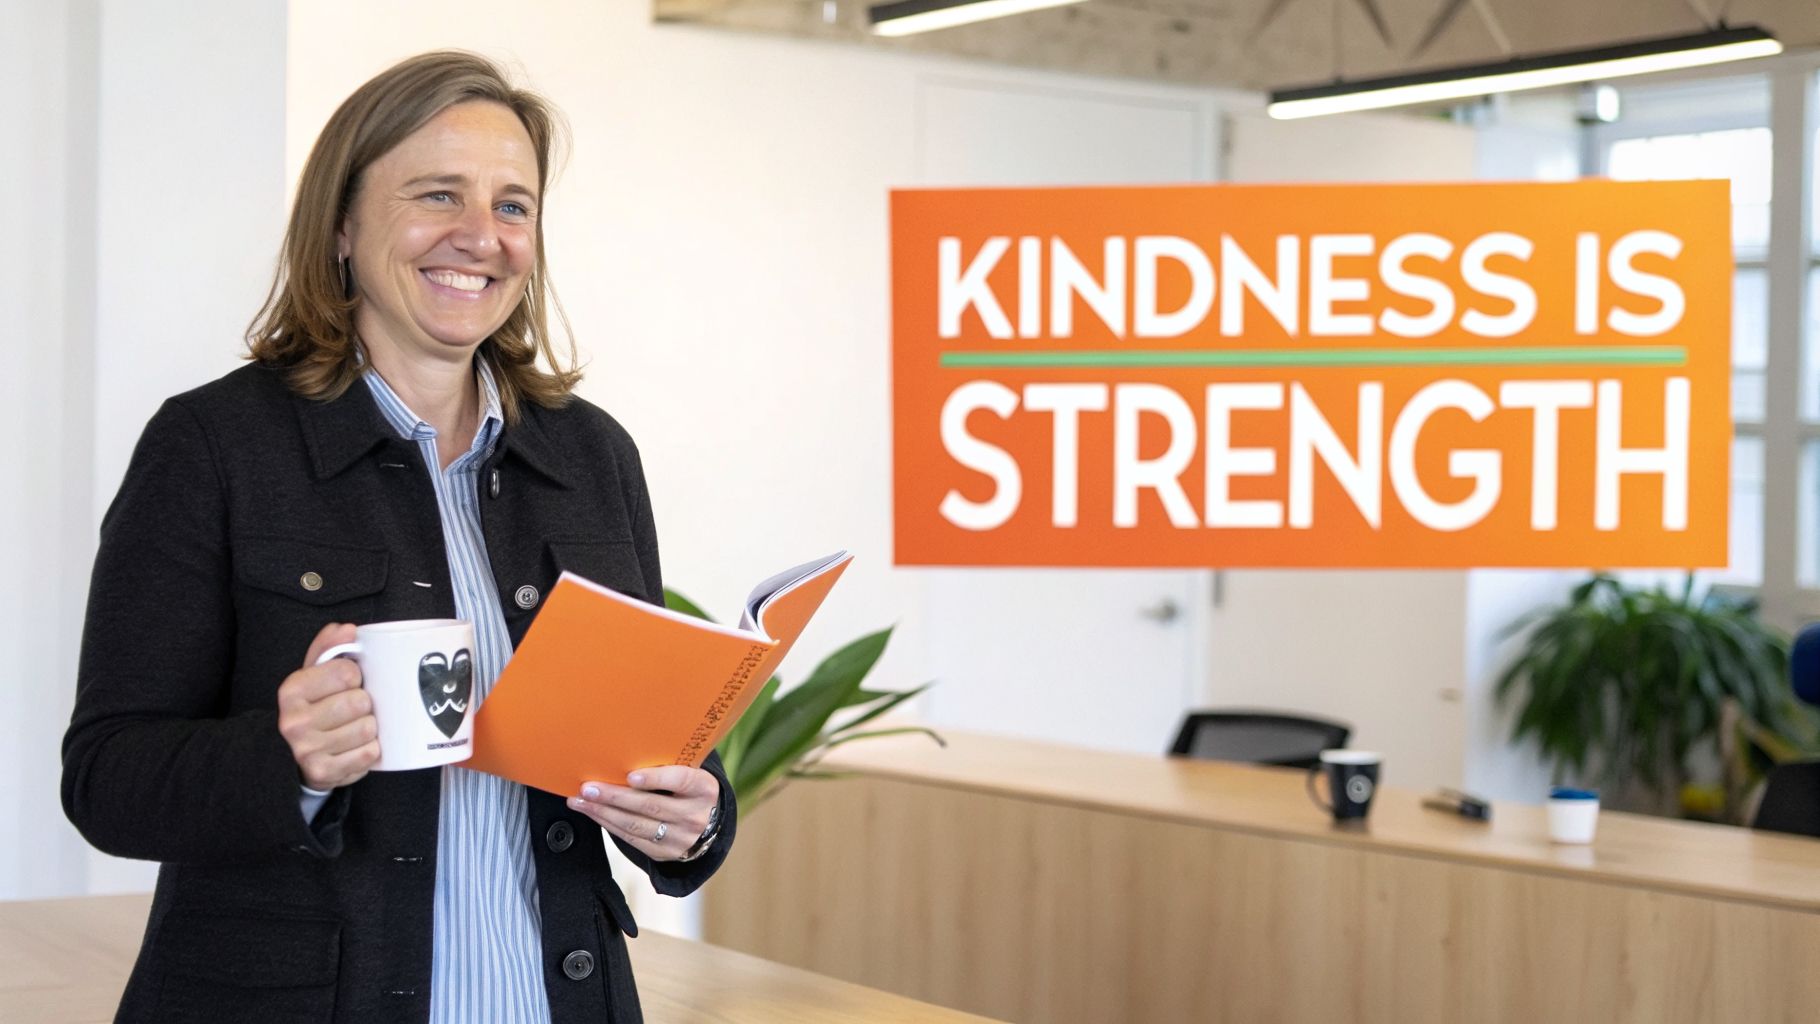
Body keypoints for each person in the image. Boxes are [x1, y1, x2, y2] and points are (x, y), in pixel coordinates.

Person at [60, 51, 733, 1024]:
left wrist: (692, 821)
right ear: (341, 223)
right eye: (437, 195)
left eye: (513, 205)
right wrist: (285, 758)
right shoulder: (213, 446)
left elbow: (658, 746)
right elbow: (108, 779)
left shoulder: (593, 457)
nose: (480, 236)